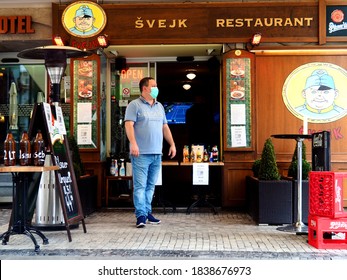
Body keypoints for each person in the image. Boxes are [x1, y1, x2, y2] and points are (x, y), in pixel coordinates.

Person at [124, 77, 176, 228]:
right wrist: (133, 143)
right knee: (140, 186)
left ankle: (147, 212)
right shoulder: (134, 105)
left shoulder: (159, 106)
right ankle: (140, 215)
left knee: (150, 186)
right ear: (144, 88)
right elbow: (129, 125)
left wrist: (172, 144)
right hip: (140, 153)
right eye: (153, 86)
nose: (156, 88)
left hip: (156, 153)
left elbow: (165, 127)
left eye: (156, 85)